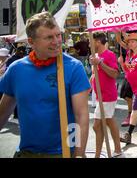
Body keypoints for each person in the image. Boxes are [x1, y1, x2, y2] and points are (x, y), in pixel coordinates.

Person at [0, 12, 90, 157]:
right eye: (49, 37)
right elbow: (3, 112)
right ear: (31, 41)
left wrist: (79, 154)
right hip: (26, 152)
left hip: (64, 152)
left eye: (58, 35)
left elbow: (81, 116)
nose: (56, 41)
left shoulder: (73, 67)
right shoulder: (16, 69)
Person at [89, 32, 122, 158]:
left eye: (91, 41)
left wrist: (100, 63)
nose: (89, 43)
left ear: (97, 42)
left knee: (99, 125)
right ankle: (115, 151)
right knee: (106, 122)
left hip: (107, 96)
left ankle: (112, 151)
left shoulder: (109, 55)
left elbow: (114, 74)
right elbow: (94, 75)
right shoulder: (95, 56)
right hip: (100, 96)